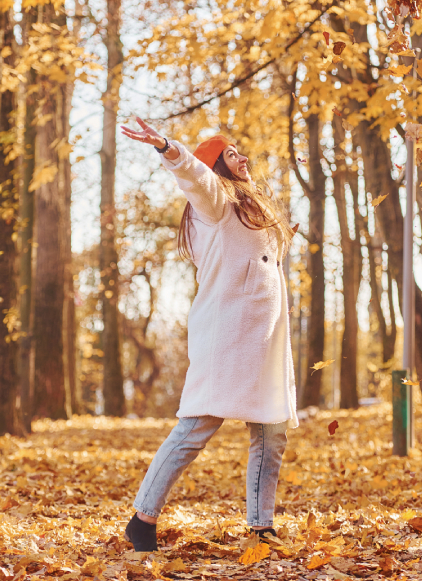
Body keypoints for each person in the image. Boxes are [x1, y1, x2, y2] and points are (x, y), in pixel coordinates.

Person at [119, 118, 298, 551]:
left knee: (272, 433)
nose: (243, 157)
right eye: (230, 153)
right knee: (197, 426)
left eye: (241, 150)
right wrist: (167, 147)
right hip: (228, 336)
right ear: (216, 166)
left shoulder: (250, 208)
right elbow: (194, 177)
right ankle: (141, 519)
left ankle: (262, 526)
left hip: (266, 340)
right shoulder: (214, 202)